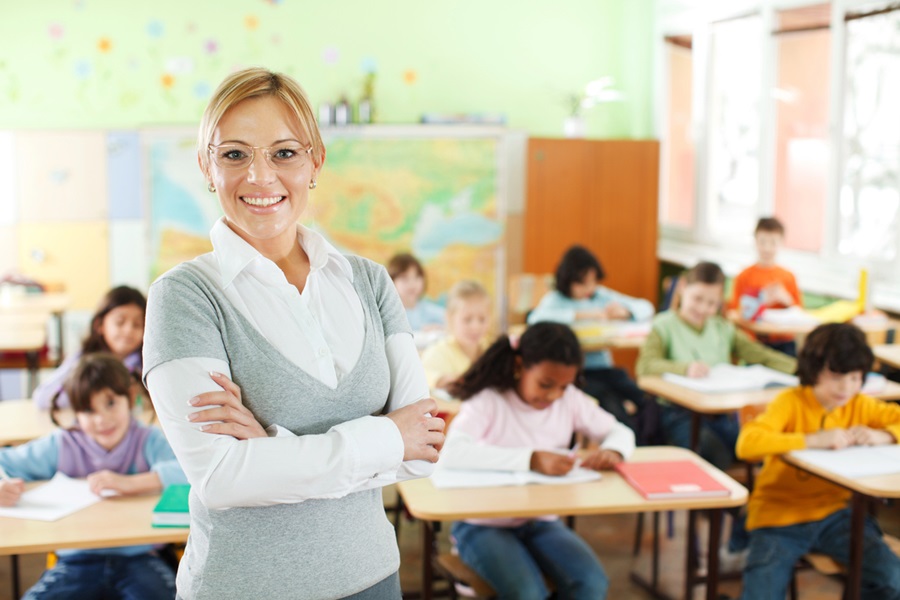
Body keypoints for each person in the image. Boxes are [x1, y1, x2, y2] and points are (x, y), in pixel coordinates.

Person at [141, 67, 445, 600]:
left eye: (284, 153)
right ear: (206, 167)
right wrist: (384, 436)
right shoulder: (184, 297)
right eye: (234, 154)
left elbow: (423, 445)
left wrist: (272, 452)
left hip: (374, 577)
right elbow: (223, 478)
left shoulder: (370, 282)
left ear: (315, 161)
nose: (260, 177)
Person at [441, 322, 635, 600]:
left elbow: (620, 431)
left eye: (564, 386)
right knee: (528, 593)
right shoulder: (490, 401)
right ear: (520, 365)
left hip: (541, 521)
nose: (554, 395)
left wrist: (614, 450)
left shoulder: (569, 400)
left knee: (592, 583)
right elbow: (452, 452)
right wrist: (530, 458)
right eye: (545, 384)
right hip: (482, 524)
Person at [0, 353, 186, 600]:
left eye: (110, 403)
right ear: (75, 412)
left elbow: (191, 470)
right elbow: (4, 461)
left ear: (129, 399)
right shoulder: (63, 444)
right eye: (88, 410)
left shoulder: (147, 439)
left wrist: (132, 483)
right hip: (76, 561)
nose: (101, 419)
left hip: (139, 560)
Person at [736, 323, 900, 600]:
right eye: (836, 377)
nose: (846, 388)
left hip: (836, 515)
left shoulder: (860, 404)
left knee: (891, 579)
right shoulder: (790, 402)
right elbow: (747, 444)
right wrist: (811, 439)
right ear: (814, 369)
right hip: (779, 517)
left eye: (855, 378)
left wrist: (884, 435)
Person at [637, 261, 797, 470]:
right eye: (697, 299)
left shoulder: (722, 327)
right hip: (679, 414)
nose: (703, 309)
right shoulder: (663, 325)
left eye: (712, 303)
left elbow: (760, 355)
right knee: (714, 456)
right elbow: (645, 366)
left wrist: (804, 370)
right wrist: (685, 369)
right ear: (683, 287)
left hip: (720, 415)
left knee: (753, 449)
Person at [527, 245, 654, 436]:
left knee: (644, 396)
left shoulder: (600, 296)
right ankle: (634, 444)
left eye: (593, 282)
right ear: (568, 280)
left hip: (604, 369)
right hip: (579, 373)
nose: (589, 289)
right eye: (583, 283)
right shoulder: (555, 300)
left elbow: (646, 307)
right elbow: (535, 319)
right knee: (611, 403)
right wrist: (583, 314)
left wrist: (625, 312)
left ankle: (651, 440)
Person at [33, 286, 146, 410]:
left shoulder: (146, 364)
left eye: (137, 324)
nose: (128, 330)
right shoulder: (84, 360)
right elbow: (43, 398)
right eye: (120, 322)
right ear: (99, 325)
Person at [727, 217, 802, 355]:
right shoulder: (744, 276)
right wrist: (760, 301)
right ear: (755, 241)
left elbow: (799, 313)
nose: (767, 248)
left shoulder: (788, 276)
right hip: (755, 341)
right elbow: (734, 312)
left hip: (784, 340)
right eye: (762, 242)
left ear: (781, 243)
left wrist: (786, 299)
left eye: (773, 242)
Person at [420, 280, 491, 390]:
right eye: (467, 320)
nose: (476, 327)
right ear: (450, 318)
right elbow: (424, 377)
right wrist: (443, 380)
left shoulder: (491, 350)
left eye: (482, 319)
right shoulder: (436, 353)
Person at [387, 252, 446, 331]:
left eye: (417, 277)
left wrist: (440, 328)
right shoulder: (389, 314)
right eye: (404, 278)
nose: (412, 284)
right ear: (391, 281)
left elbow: (452, 320)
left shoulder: (428, 309)